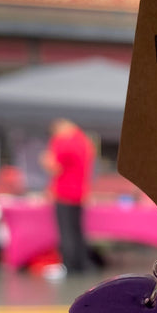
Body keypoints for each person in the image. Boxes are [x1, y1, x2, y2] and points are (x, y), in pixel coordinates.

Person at [40, 118, 96, 275]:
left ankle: (69, 265)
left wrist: (44, 159)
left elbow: (54, 167)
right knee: (77, 231)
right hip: (80, 192)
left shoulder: (62, 142)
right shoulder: (85, 142)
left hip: (64, 192)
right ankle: (81, 264)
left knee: (66, 231)